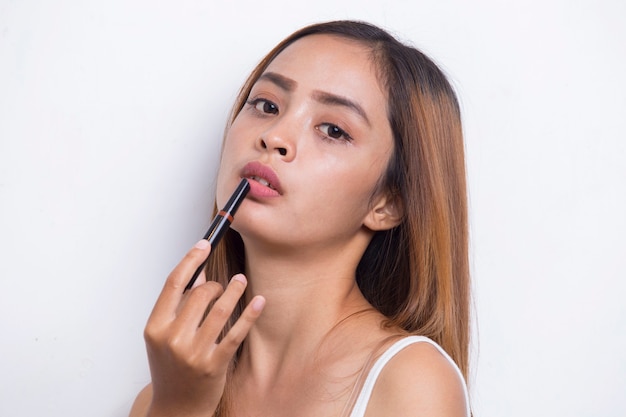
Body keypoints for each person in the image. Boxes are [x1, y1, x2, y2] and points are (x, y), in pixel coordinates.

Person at [129, 20, 471, 417]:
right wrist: (177, 406)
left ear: (387, 203)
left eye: (333, 130)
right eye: (267, 105)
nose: (275, 135)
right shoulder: (164, 396)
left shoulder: (411, 383)